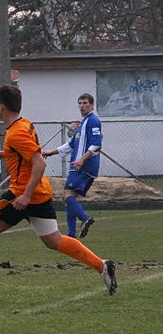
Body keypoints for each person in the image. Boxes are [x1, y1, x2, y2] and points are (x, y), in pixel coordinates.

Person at [0, 85, 116, 300]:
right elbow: (28, 152)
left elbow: (39, 163)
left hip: (22, 193)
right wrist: (3, 155)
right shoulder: (23, 124)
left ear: (1, 107)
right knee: (54, 241)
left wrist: (25, 195)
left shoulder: (16, 132)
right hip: (41, 193)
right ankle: (101, 265)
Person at [41, 93, 103, 239]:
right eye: (80, 103)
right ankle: (71, 235)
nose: (82, 106)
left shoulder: (93, 121)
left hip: (83, 165)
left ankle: (85, 219)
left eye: (85, 103)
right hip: (78, 164)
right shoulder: (82, 123)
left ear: (92, 105)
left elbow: (97, 145)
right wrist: (51, 152)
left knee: (67, 195)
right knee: (69, 196)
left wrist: (81, 160)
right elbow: (70, 145)